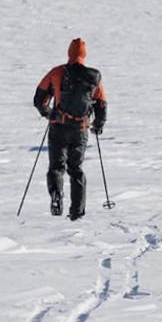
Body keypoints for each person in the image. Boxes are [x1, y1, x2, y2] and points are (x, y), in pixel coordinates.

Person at [33, 37, 108, 220]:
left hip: (59, 126)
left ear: (69, 52)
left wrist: (49, 113)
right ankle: (77, 212)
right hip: (80, 129)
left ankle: (56, 195)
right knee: (76, 168)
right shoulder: (93, 78)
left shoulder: (57, 72)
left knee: (56, 167)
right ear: (84, 54)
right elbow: (102, 103)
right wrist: (98, 124)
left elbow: (39, 99)